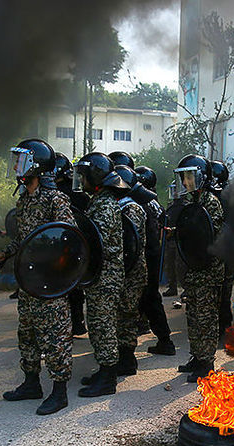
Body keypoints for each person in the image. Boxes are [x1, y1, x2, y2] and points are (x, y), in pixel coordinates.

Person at [0, 138, 76, 415]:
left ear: (35, 164)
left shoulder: (55, 199)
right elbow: (25, 239)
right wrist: (6, 253)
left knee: (55, 335)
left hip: (50, 281)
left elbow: (69, 237)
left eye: (20, 160)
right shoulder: (24, 199)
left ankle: (59, 392)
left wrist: (49, 262)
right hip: (29, 281)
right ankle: (30, 383)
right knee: (27, 333)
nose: (15, 165)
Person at [75, 152, 126, 397]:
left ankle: (107, 379)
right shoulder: (100, 200)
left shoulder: (105, 205)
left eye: (83, 176)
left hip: (106, 277)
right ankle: (103, 371)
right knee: (97, 324)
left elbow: (99, 244)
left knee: (103, 325)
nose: (81, 180)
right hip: (101, 276)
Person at [172, 154, 225, 383]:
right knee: (193, 316)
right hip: (195, 270)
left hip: (208, 271)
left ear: (201, 177)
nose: (185, 182)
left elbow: (208, 237)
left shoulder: (210, 202)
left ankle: (207, 363)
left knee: (206, 318)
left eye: (189, 177)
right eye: (184, 177)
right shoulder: (195, 201)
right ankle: (197, 357)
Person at [134, 165, 176, 355]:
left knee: (149, 298)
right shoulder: (154, 201)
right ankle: (163, 339)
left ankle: (165, 341)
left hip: (145, 255)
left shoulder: (141, 202)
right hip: (152, 253)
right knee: (149, 297)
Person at [110, 164, 148, 376]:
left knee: (126, 314)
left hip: (132, 272)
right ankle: (122, 357)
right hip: (126, 270)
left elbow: (129, 244)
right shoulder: (122, 207)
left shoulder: (131, 208)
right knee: (120, 315)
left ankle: (127, 360)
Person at [53, 152, 91, 337]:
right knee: (75, 287)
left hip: (62, 245)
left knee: (62, 288)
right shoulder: (80, 194)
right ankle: (78, 323)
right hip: (78, 246)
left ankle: (66, 325)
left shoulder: (55, 194)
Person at [209, 160, 234, 336]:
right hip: (229, 249)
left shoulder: (220, 195)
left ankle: (222, 326)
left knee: (221, 290)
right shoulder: (232, 192)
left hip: (223, 249)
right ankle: (223, 324)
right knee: (225, 289)